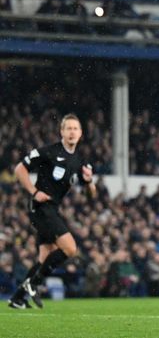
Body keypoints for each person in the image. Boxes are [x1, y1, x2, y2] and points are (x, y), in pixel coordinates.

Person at [7, 114, 96, 309]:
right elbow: (19, 169)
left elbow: (91, 197)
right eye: (68, 128)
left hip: (52, 208)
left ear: (81, 134)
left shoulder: (79, 161)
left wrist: (89, 182)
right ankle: (34, 284)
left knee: (44, 258)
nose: (72, 132)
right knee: (70, 249)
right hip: (40, 207)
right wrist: (34, 191)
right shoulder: (48, 152)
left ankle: (18, 298)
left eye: (75, 129)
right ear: (62, 132)